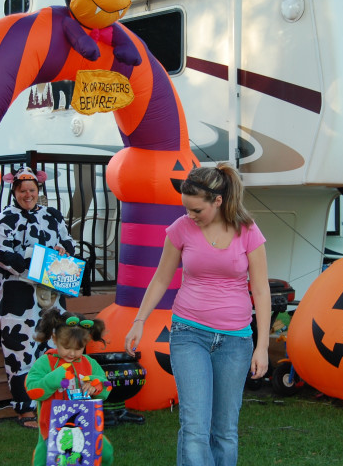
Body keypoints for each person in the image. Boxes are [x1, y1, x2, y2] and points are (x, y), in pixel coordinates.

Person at [124, 163, 271, 466]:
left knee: (225, 431)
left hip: (235, 341)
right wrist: (139, 321)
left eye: (197, 211)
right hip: (189, 334)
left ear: (218, 201)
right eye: (187, 209)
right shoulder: (180, 228)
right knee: (194, 429)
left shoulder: (248, 231)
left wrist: (263, 346)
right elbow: (162, 278)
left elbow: (261, 290)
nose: (191, 216)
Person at [0, 166, 77, 428]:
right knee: (21, 348)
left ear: (38, 191)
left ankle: (53, 401)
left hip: (52, 292)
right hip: (18, 296)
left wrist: (63, 250)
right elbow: (1, 254)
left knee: (53, 343)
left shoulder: (52, 215)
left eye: (32, 190)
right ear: (14, 191)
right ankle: (25, 407)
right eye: (22, 190)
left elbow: (69, 242)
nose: (28, 195)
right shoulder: (4, 219)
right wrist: (35, 261)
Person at [26, 308, 114, 466]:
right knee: (45, 461)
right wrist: (52, 380)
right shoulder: (46, 362)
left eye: (78, 349)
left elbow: (107, 387)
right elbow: (32, 389)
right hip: (52, 431)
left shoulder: (89, 363)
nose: (72, 354)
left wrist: (96, 385)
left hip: (85, 428)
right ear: (54, 339)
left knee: (105, 454)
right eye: (67, 347)